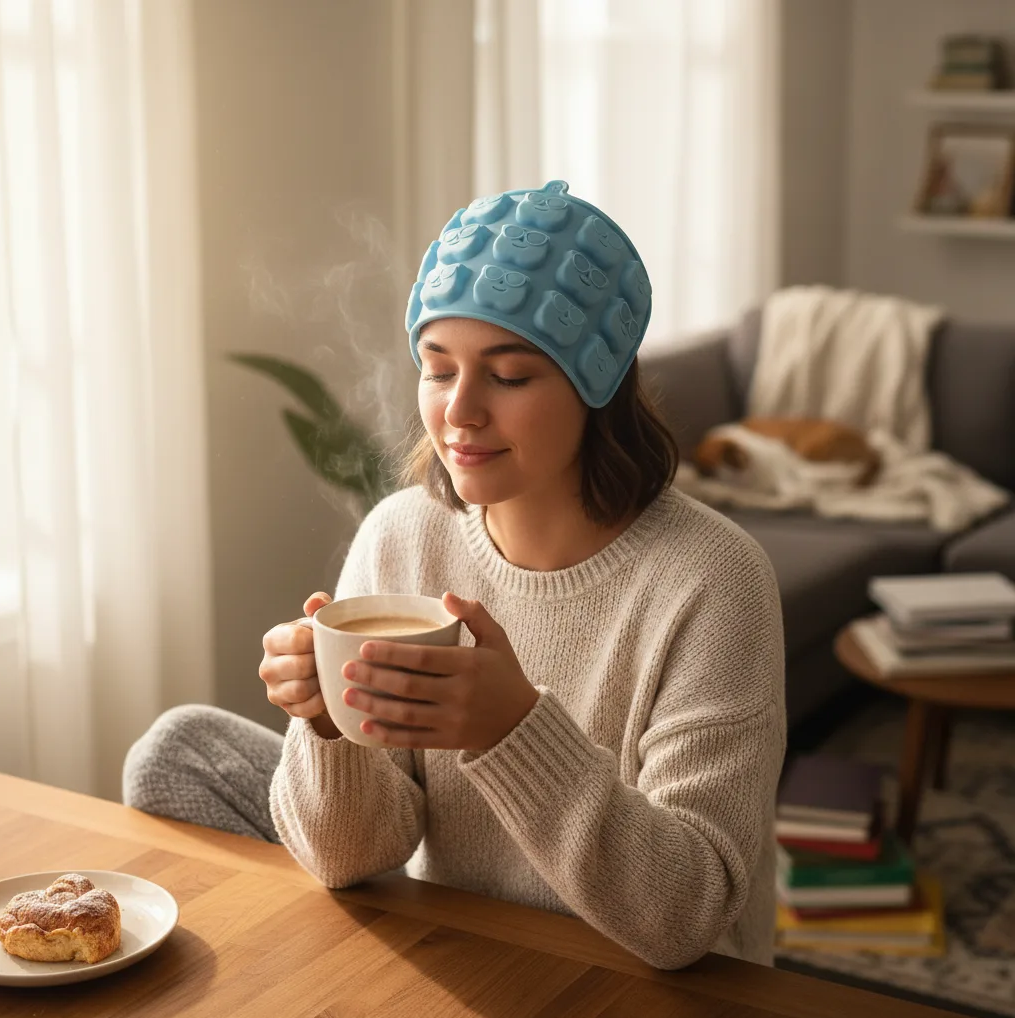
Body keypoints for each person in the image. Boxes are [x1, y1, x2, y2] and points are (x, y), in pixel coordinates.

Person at [123, 180, 786, 971]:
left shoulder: (713, 580)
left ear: (596, 389)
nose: (460, 412)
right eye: (438, 370)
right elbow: (355, 859)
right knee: (176, 748)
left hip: (643, 981)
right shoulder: (403, 535)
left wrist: (513, 731)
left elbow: (687, 917)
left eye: (507, 377)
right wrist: (330, 725)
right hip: (462, 949)